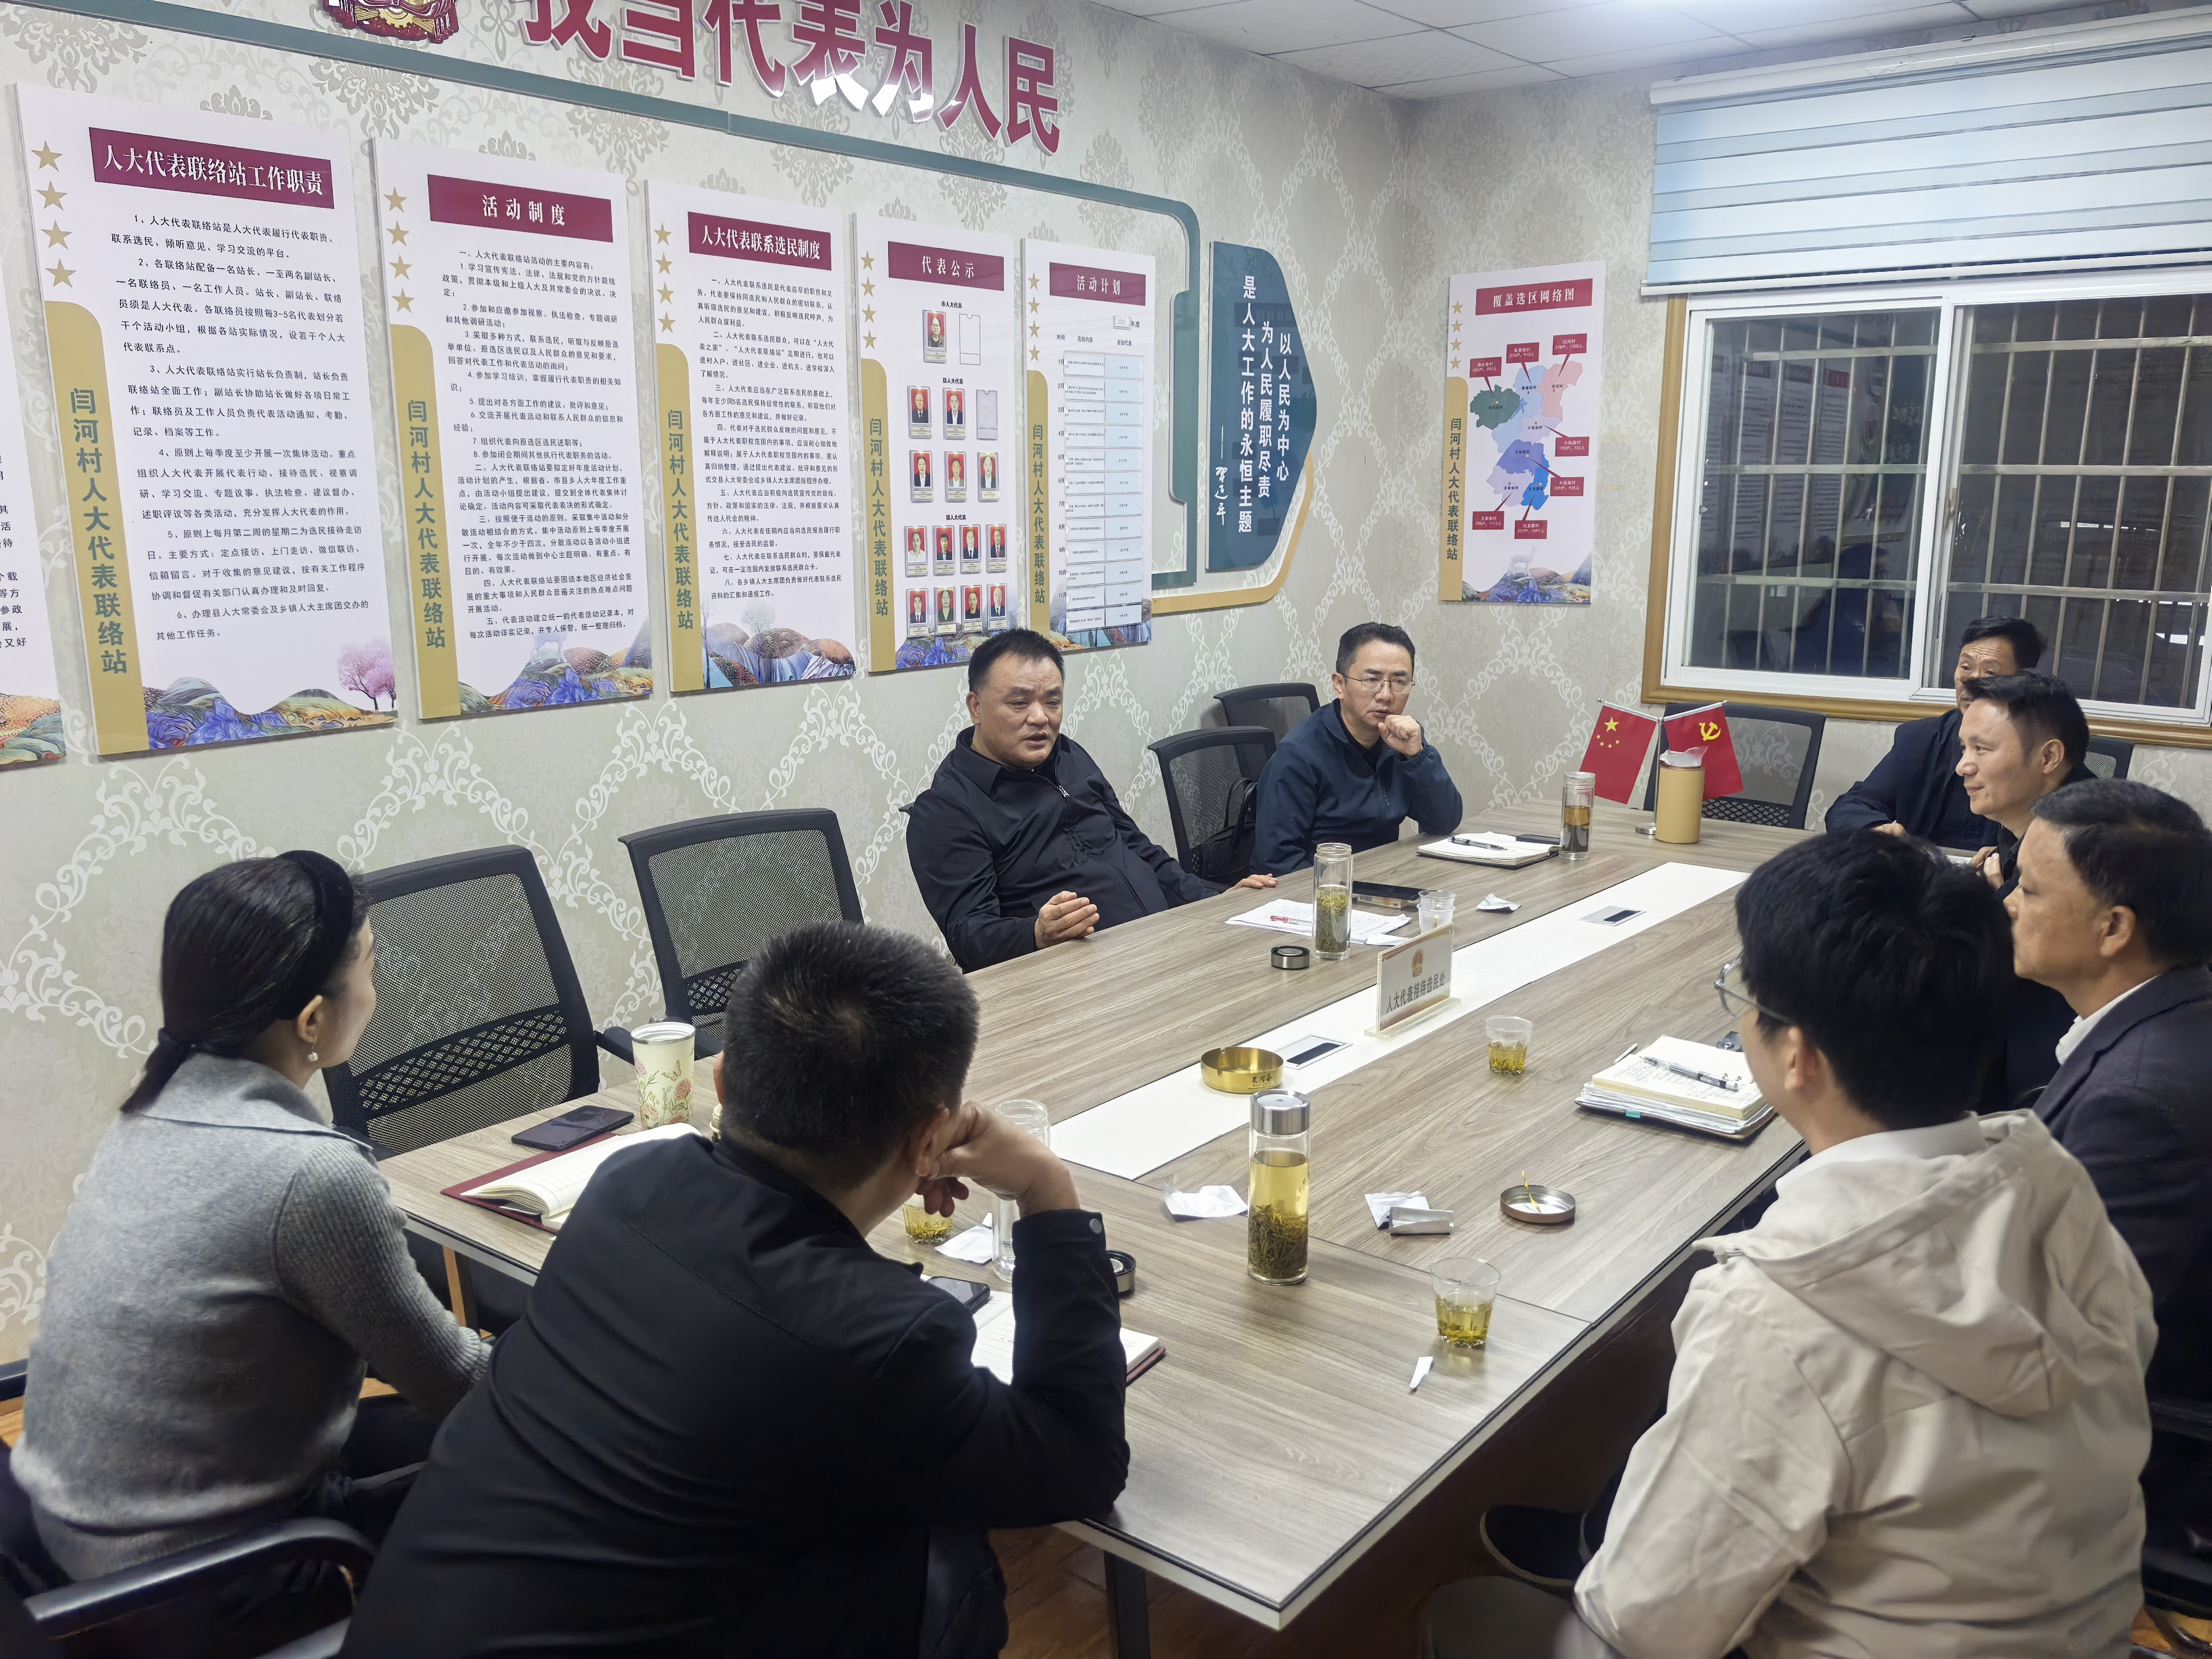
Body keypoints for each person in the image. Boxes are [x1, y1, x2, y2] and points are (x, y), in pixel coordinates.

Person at [1426, 832, 2154, 1659]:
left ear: (1799, 1056)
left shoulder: (1777, 1311)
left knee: (1466, 1612)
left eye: (1749, 993)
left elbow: (1647, 1624)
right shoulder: (2057, 1184)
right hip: (2084, 1634)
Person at [340, 922, 1130, 1658]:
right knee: (948, 1548)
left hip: (401, 1629)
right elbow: (1082, 1463)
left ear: (720, 1081)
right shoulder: (883, 1338)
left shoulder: (628, 1185)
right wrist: (1046, 1189)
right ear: (931, 1139)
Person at [13, 853, 488, 1653]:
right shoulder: (311, 1176)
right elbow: (457, 1383)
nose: (376, 988)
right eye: (371, 966)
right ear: (313, 1022)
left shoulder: (148, 1115)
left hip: (75, 1540)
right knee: (533, 1449)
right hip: (208, 1586)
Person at [2007, 780, 2212, 1546]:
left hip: (2139, 1467)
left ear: (2114, 928)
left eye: (2029, 890)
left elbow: (2061, 1348)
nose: (2010, 906)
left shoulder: (2140, 1103)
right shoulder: (2177, 1014)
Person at [905, 628, 1273, 972]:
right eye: (1019, 703)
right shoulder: (947, 808)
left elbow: (1138, 848)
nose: (1040, 718)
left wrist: (1213, 899)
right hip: (1072, 982)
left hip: (1164, 944)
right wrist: (1036, 934)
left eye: (1052, 702)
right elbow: (969, 937)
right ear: (976, 707)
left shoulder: (1069, 756)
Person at [1955, 671, 2100, 1107]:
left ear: (2049, 757)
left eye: (1982, 749)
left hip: (2041, 1092)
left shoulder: (2080, 846)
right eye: (1964, 748)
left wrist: (1992, 906)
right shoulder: (2034, 822)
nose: (1963, 766)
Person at [1251, 622, 1464, 875]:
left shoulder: (1402, 740)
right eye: (1372, 680)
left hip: (1385, 876)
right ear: (1339, 685)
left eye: (1399, 682)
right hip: (1324, 888)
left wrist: (1418, 757)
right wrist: (1339, 891)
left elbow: (1443, 822)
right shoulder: (1299, 754)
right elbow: (1276, 862)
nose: (1386, 695)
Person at [1826, 614, 2045, 845]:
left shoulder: (2040, 745)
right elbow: (1850, 806)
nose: (1971, 682)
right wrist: (1875, 829)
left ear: (2023, 681)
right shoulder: (1921, 739)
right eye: (1966, 667)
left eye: (1990, 673)